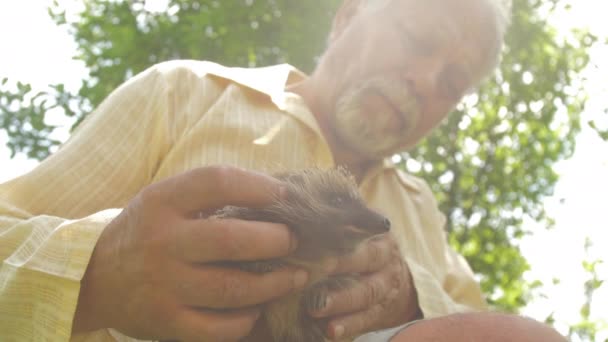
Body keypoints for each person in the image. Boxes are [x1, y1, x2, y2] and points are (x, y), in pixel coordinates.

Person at [0, 0, 566, 341]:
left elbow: (487, 329)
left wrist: (413, 303)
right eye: (417, 40)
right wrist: (98, 275)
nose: (424, 81)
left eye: (451, 84)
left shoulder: (423, 215)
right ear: (348, 17)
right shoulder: (183, 94)